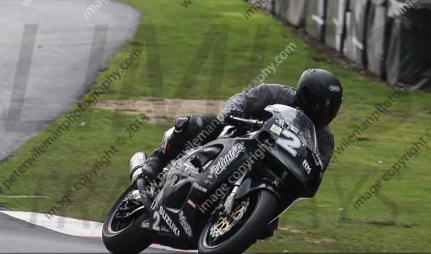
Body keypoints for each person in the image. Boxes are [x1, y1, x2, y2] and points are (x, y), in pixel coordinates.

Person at [142, 68, 343, 235]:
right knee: (206, 123)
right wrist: (234, 112)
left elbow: (316, 169)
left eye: (332, 107)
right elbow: (243, 99)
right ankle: (159, 159)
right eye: (322, 104)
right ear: (306, 94)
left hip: (276, 167)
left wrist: (268, 210)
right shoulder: (278, 94)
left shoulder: (325, 139)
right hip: (241, 137)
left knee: (267, 225)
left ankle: (251, 210)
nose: (326, 111)